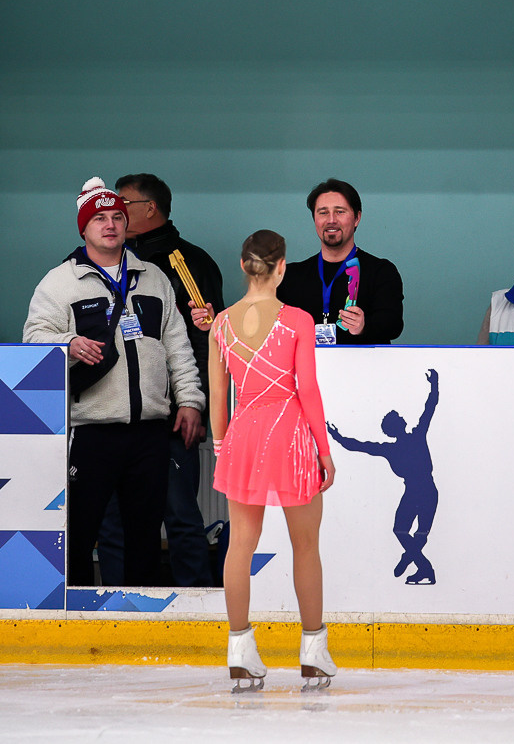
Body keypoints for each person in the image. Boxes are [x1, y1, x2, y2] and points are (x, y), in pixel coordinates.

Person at [23, 177, 204, 587]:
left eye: (118, 217)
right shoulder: (59, 282)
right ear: (83, 229)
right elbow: (33, 338)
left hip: (150, 432)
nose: (110, 225)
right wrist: (68, 343)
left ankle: (140, 622)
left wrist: (191, 400)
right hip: (91, 431)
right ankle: (79, 620)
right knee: (81, 534)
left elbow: (178, 346)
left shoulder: (155, 278)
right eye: (99, 218)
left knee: (144, 536)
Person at [209, 229, 336, 691]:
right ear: (281, 267)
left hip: (242, 435)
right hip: (291, 437)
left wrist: (222, 448)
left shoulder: (221, 323)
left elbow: (218, 396)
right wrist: (323, 450)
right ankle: (313, 651)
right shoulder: (298, 320)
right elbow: (308, 389)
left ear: (244, 266)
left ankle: (240, 649)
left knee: (239, 544)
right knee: (306, 546)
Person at [95, 174, 224, 588]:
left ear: (149, 208)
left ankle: (197, 608)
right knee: (113, 521)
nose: (114, 215)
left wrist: (195, 402)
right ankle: (118, 605)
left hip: (168, 417)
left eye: (124, 204)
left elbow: (204, 339)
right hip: (112, 414)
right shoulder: (102, 260)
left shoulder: (186, 262)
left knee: (181, 517)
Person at [328, 370, 440, 586]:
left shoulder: (414, 436)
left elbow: (430, 408)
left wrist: (434, 384)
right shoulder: (397, 445)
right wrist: (337, 436)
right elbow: (357, 446)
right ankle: (421, 564)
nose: (402, 417)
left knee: (419, 532)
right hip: (415, 491)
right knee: (402, 529)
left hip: (426, 489)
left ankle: (415, 560)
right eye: (398, 418)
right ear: (396, 426)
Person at [277, 178, 404, 345]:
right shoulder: (290, 276)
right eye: (323, 212)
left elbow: (393, 325)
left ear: (357, 218)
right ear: (314, 219)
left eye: (340, 211)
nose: (331, 220)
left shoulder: (381, 271)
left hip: (363, 369)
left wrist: (364, 326)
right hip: (307, 369)